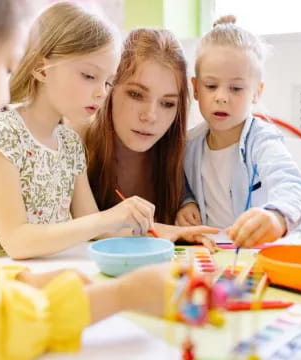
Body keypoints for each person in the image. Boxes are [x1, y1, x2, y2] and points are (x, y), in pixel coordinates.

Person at [0, 1, 175, 358]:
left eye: (106, 81)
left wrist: (21, 281)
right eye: (8, 66)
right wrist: (123, 295)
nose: (4, 95)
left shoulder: (68, 140)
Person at [0, 2, 158, 259]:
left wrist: (171, 232)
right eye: (89, 75)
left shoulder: (69, 143)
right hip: (2, 283)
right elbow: (16, 241)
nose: (102, 92)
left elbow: (94, 226)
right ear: (41, 69)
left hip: (51, 275)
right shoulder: (1, 135)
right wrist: (108, 218)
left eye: (108, 81)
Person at [176, 15, 301, 248]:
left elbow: (295, 189)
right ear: (196, 88)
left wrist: (276, 217)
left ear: (256, 92)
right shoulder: (189, 144)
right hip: (211, 251)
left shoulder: (263, 141)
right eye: (211, 86)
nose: (221, 97)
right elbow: (181, 183)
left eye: (236, 88)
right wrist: (186, 202)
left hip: (256, 252)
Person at [86, 28, 220, 251]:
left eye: (167, 103)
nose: (150, 116)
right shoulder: (75, 145)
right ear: (109, 87)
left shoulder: (183, 160)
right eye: (136, 95)